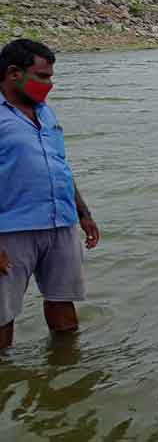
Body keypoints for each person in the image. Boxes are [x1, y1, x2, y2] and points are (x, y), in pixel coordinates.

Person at [0, 39, 100, 350]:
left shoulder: (46, 113)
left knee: (63, 303)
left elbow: (59, 166)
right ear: (14, 73)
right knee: (2, 315)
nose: (49, 84)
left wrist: (83, 214)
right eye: (42, 76)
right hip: (11, 229)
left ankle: (63, 374)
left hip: (60, 223)